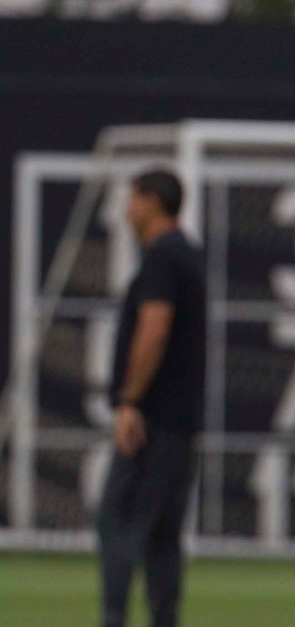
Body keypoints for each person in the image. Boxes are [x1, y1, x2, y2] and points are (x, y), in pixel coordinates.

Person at [97, 168, 205, 627]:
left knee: (118, 520)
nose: (126, 210)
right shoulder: (188, 254)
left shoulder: (162, 257)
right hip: (180, 423)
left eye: (131, 198)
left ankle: (115, 618)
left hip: (153, 419)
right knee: (163, 534)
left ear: (151, 201)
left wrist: (129, 401)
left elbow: (154, 330)